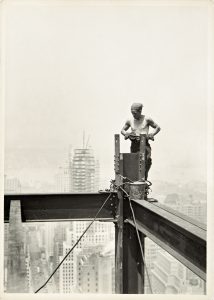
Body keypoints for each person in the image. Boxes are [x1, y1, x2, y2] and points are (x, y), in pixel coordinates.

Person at [121, 102, 161, 180]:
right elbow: (122, 130)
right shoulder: (130, 120)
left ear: (140, 111)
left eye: (135, 113)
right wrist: (127, 134)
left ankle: (144, 179)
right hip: (134, 144)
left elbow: (157, 127)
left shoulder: (147, 119)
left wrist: (151, 134)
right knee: (135, 162)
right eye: (132, 113)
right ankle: (135, 180)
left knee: (147, 161)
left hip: (144, 143)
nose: (133, 115)